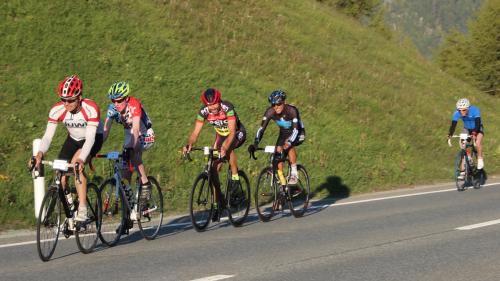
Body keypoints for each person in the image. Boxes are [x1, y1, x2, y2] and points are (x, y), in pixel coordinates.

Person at [35, 75, 104, 221]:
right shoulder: (57, 110)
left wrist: (81, 159)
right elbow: (48, 136)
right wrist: (40, 153)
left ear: (79, 97)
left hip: (92, 139)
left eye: (70, 100)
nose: (66, 103)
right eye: (63, 99)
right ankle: (70, 210)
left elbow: (90, 138)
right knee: (61, 175)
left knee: (75, 167)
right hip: (73, 139)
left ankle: (83, 209)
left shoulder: (91, 108)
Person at [183, 88, 246, 219]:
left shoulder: (227, 107)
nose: (212, 107)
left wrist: (225, 147)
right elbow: (195, 133)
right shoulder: (203, 112)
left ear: (219, 100)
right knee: (213, 169)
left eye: (214, 104)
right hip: (221, 135)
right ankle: (218, 202)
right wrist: (189, 144)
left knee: (227, 149)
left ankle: (235, 179)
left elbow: (233, 132)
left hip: (236, 133)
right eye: (209, 105)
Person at [103, 81, 155, 219]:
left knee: (132, 151)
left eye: (119, 100)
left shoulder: (134, 104)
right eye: (113, 100)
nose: (116, 103)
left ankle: (145, 183)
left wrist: (132, 145)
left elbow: (136, 129)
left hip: (144, 133)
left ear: (126, 98)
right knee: (125, 174)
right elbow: (105, 132)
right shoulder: (112, 108)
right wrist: (93, 146)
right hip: (129, 133)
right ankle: (129, 212)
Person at [248, 90, 305, 185]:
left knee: (289, 145)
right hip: (284, 133)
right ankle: (283, 187)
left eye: (278, 104)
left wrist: (289, 143)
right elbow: (261, 129)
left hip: (298, 132)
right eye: (273, 104)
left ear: (284, 102)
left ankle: (294, 173)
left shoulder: (292, 110)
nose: (276, 107)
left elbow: (295, 130)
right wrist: (255, 144)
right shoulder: (270, 112)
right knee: (277, 158)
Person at [448, 98, 484, 177]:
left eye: (463, 110)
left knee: (477, 142)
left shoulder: (475, 110)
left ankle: (480, 159)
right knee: (463, 146)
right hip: (467, 128)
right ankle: (464, 167)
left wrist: (475, 133)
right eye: (459, 110)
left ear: (468, 108)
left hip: (477, 127)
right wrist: (450, 134)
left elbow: (478, 123)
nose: (461, 112)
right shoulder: (457, 113)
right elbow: (453, 125)